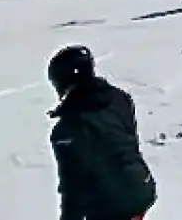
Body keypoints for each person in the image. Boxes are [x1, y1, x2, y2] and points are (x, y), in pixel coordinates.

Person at [48, 45, 156, 220]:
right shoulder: (120, 99)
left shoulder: (66, 130)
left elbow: (72, 187)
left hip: (110, 203)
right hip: (140, 187)